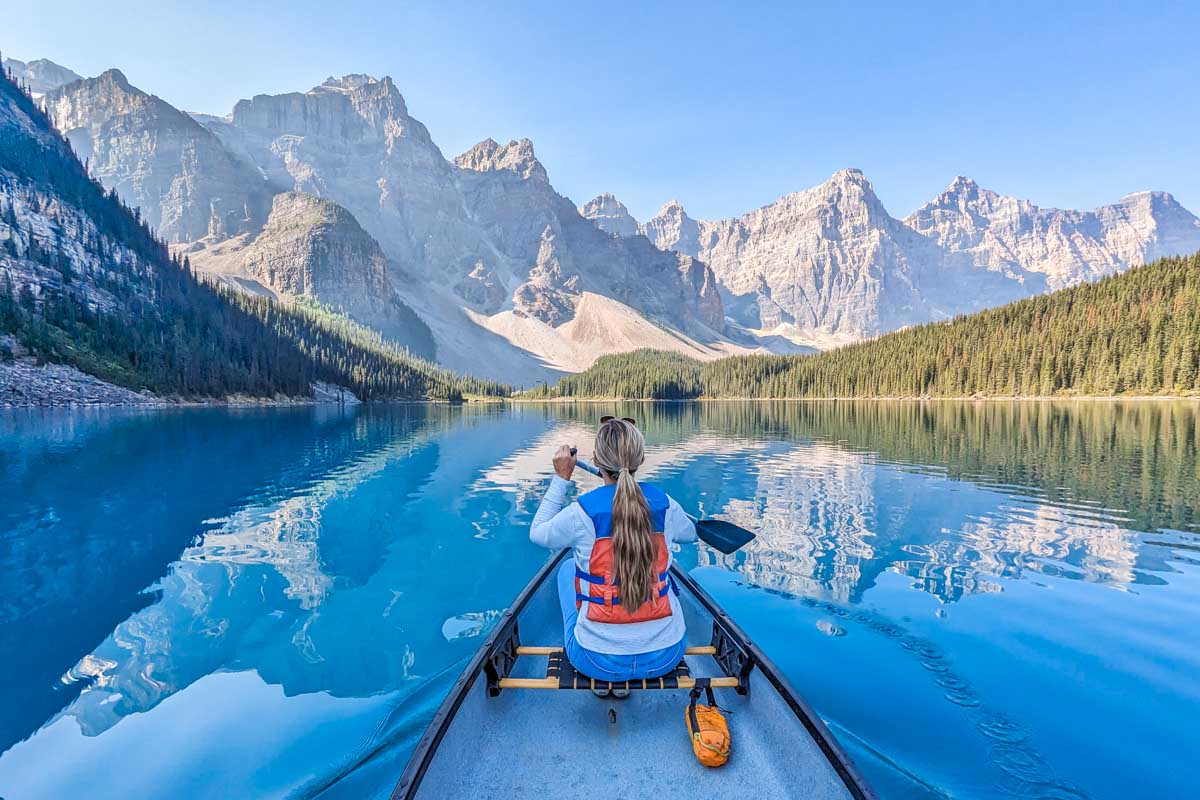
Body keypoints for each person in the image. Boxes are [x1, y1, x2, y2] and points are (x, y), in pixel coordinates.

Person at [530, 417, 697, 694]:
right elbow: (691, 534)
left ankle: (606, 662)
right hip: (667, 656)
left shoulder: (581, 512)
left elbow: (537, 533)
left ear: (596, 459)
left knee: (568, 568)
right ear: (640, 458)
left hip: (595, 661)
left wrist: (561, 478)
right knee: (667, 569)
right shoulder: (666, 504)